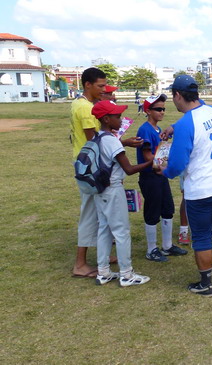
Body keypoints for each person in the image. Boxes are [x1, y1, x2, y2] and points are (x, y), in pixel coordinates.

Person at [159, 75, 212, 296]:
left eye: (172, 97)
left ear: (177, 95)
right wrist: (174, 127)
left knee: (202, 236)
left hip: (201, 189)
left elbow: (176, 165)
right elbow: (198, 115)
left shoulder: (187, 123)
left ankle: (206, 283)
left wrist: (163, 171)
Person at [69, 67, 142, 278]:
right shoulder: (85, 108)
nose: (104, 90)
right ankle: (81, 263)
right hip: (95, 170)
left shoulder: (80, 104)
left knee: (100, 220)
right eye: (100, 86)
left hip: (88, 166)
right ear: (87, 85)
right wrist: (123, 144)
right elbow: (97, 141)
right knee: (92, 216)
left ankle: (102, 261)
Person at [91, 100, 153, 287]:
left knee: (104, 229)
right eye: (117, 116)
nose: (121, 119)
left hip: (99, 189)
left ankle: (103, 272)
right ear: (107, 119)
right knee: (121, 232)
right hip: (112, 188)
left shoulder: (98, 137)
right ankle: (126, 274)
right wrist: (152, 162)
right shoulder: (110, 140)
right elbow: (129, 169)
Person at [136, 94, 188, 262]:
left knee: (167, 209)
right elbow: (147, 156)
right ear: (148, 111)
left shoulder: (158, 130)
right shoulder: (145, 129)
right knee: (152, 212)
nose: (162, 112)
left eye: (164, 109)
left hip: (160, 175)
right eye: (158, 109)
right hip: (150, 176)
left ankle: (167, 246)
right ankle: (151, 249)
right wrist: (165, 162)